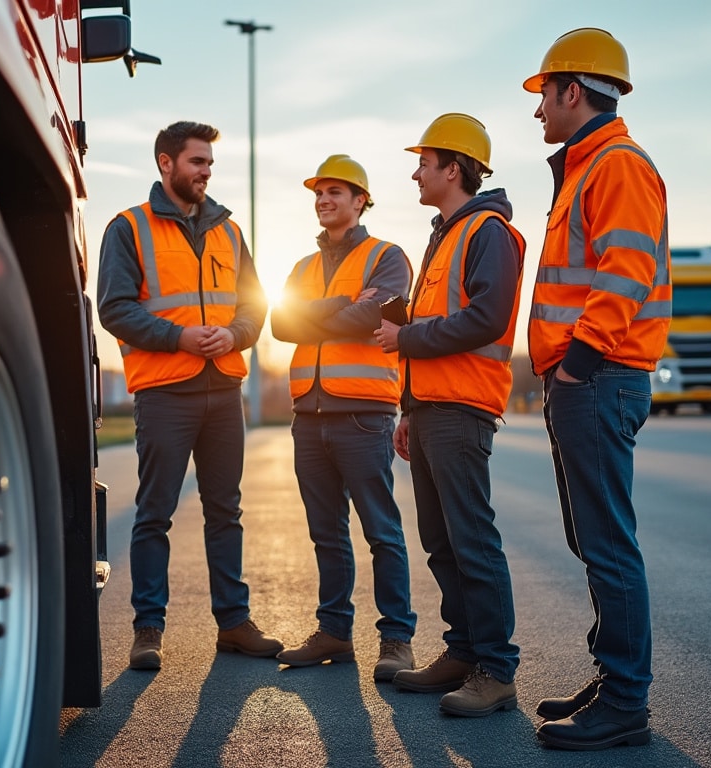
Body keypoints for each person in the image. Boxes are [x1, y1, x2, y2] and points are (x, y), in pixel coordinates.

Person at [521, 28, 670, 750]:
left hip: (599, 377)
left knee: (608, 542)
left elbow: (625, 272)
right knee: (593, 538)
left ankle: (626, 704)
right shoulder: (586, 167)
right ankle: (617, 680)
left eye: (544, 94)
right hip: (583, 378)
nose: (538, 109)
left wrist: (577, 362)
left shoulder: (616, 164)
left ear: (572, 90)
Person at [97, 120, 282, 671]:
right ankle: (148, 630)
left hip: (224, 389)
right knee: (155, 513)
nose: (205, 172)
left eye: (210, 164)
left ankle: (234, 624)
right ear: (166, 163)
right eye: (197, 162)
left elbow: (255, 303)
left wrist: (237, 333)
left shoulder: (229, 230)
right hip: (164, 394)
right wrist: (179, 336)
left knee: (226, 511)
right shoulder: (128, 227)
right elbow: (115, 308)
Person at [374, 113, 525, 717]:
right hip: (432, 407)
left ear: (453, 168)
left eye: (424, 162)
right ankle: (463, 651)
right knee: (440, 540)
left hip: (465, 407)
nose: (415, 172)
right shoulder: (444, 234)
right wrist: (409, 406)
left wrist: (404, 339)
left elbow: (487, 319)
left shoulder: (487, 231)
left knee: (472, 539)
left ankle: (496, 669)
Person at [270, 154, 418, 682]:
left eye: (336, 192)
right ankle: (334, 632)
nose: (324, 200)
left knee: (382, 530)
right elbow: (279, 324)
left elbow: (373, 316)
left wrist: (322, 313)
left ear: (361, 200)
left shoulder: (387, 257)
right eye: (318, 192)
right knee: (325, 533)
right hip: (307, 414)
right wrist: (340, 308)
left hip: (362, 413)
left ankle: (396, 639)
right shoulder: (302, 267)